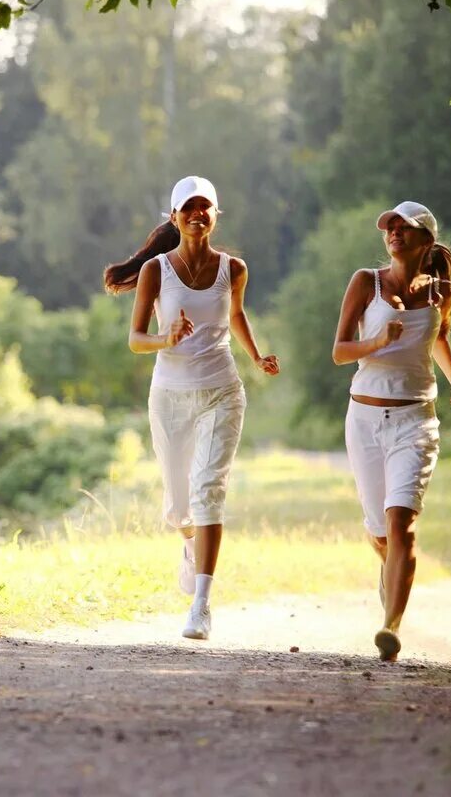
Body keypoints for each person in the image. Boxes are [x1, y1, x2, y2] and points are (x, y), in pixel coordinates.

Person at [104, 175, 280, 641]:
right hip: (170, 396)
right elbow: (136, 339)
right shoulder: (155, 271)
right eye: (189, 208)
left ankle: (202, 604)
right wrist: (168, 337)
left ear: (215, 215)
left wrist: (257, 355)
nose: (198, 214)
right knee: (179, 509)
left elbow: (237, 314)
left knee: (209, 490)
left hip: (222, 390)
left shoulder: (233, 269)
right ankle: (189, 545)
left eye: (206, 207)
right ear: (175, 217)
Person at [331, 201, 451, 662]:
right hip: (365, 420)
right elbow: (339, 351)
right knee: (380, 533)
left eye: (404, 228)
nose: (394, 233)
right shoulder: (364, 282)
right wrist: (378, 341)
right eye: (389, 227)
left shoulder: (438, 291)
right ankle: (390, 571)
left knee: (402, 526)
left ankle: (390, 627)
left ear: (425, 241)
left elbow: (438, 336)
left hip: (416, 419)